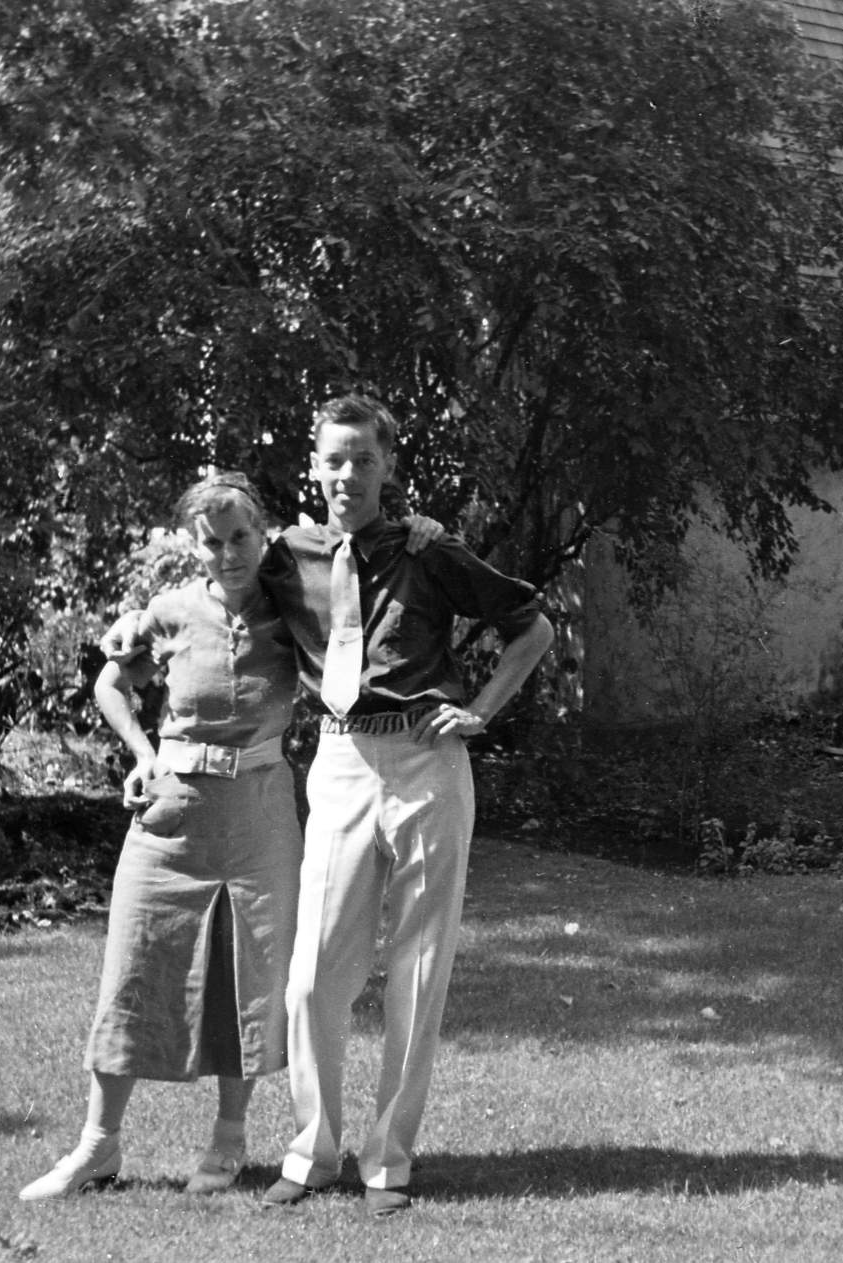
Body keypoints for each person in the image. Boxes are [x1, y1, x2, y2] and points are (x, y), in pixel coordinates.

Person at [254, 394, 553, 1217]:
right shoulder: (286, 555)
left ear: (388, 467)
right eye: (334, 458)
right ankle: (311, 1152)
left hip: (427, 760)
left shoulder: (428, 550)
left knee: (419, 969)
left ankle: (388, 1161)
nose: (347, 473)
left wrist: (483, 709)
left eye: (364, 459)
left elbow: (533, 628)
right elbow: (222, 592)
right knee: (313, 971)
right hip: (341, 759)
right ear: (313, 465)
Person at [18, 472, 306, 1201]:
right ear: (194, 546)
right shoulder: (170, 611)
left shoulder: (294, 610)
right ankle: (97, 1146)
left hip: (261, 818)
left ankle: (229, 1140)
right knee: (132, 969)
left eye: (240, 536)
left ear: (262, 532)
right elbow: (111, 684)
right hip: (172, 817)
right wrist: (144, 756)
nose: (228, 553)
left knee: (249, 976)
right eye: (212, 541)